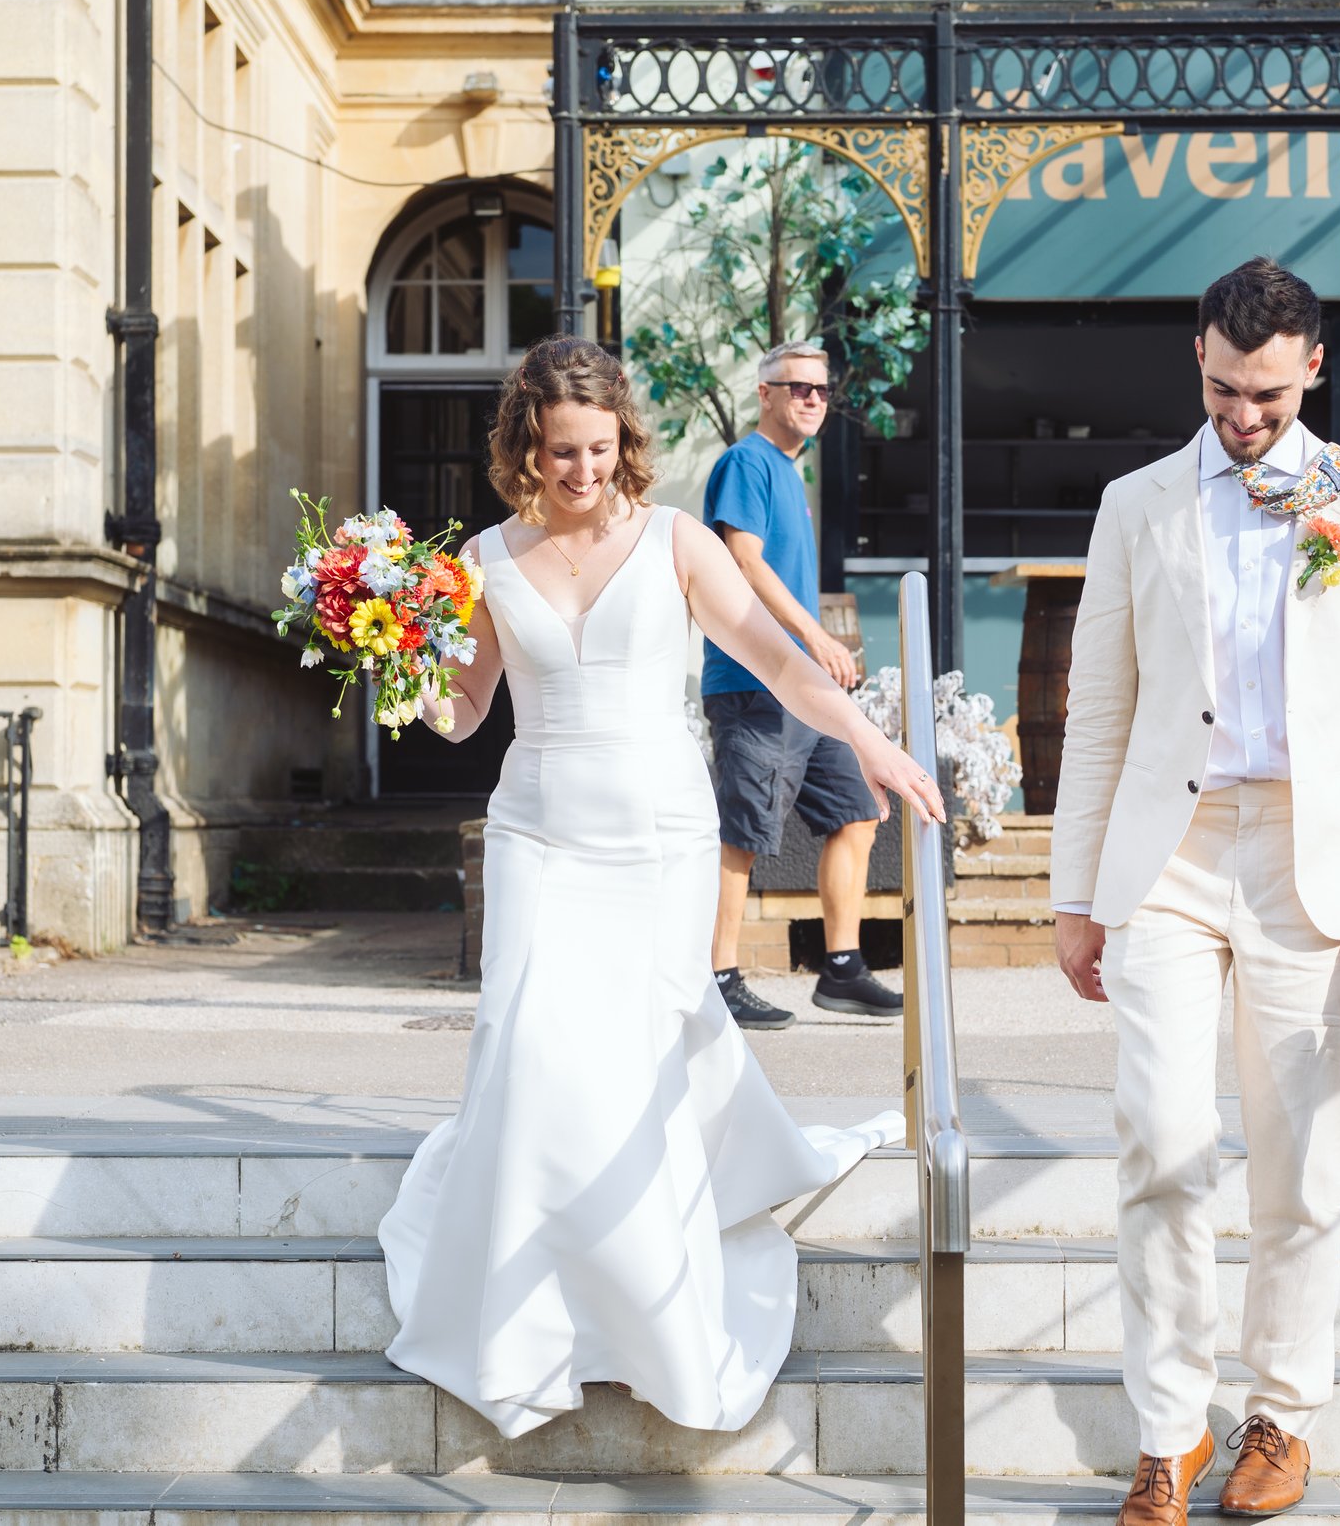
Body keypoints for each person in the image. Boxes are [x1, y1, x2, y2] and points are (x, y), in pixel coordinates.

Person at [380, 334, 945, 1441]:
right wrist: (396, 658)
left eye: (597, 449)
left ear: (623, 443)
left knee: (639, 1055)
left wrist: (872, 745)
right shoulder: (486, 557)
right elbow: (462, 710)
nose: (580, 473)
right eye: (558, 453)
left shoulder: (677, 540)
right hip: (537, 828)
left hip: (656, 831)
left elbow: (780, 660)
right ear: (524, 450)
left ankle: (651, 1317)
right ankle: (527, 1319)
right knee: (530, 1044)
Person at [1048, 258, 1340, 1523]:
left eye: (1267, 395)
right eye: (1224, 388)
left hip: (1311, 855)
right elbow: (1097, 707)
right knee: (1161, 1143)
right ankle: (1167, 1432)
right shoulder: (1136, 502)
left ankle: (1279, 1415)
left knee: (1300, 1163)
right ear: (1198, 356)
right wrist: (1073, 891)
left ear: (1312, 368)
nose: (1242, 416)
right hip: (1162, 855)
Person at [701, 340, 906, 1031]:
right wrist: (815, 636)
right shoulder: (746, 463)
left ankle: (841, 968)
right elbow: (742, 560)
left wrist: (816, 652)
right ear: (765, 394)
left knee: (857, 809)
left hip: (802, 687)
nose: (813, 399)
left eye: (821, 390)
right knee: (743, 832)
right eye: (797, 388)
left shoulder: (791, 473)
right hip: (754, 680)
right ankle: (718, 978)